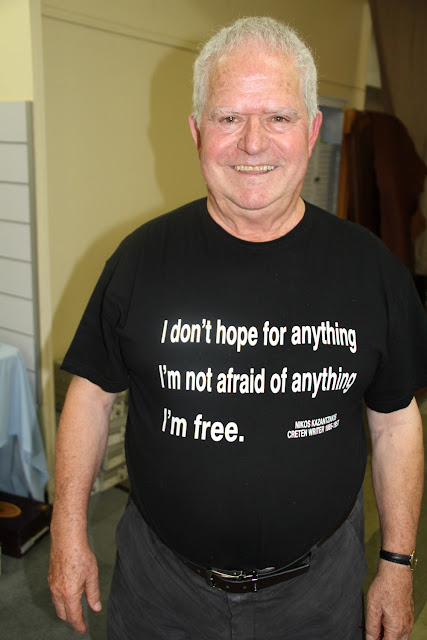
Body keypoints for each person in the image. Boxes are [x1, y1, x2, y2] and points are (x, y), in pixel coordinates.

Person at [48, 16, 427, 640]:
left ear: (311, 131)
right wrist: (67, 531)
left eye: (278, 117)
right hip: (160, 590)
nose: (253, 143)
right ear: (197, 132)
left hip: (316, 596)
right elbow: (90, 395)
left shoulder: (374, 271)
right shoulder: (140, 260)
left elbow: (395, 422)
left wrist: (397, 563)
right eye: (228, 118)